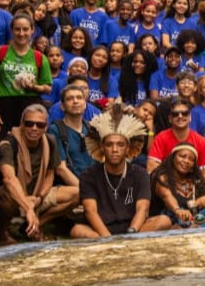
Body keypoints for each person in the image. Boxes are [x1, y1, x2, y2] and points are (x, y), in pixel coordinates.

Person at [72, 102, 169, 238]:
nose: (115, 150)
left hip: (133, 229)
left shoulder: (140, 174)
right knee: (78, 230)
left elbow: (143, 209)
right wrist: (108, 238)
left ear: (128, 148)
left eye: (120, 145)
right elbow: (90, 211)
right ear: (102, 147)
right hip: (102, 230)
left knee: (163, 221)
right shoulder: (89, 175)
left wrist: (132, 233)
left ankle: (128, 244)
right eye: (109, 144)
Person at [0, 103, 79, 244]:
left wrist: (39, 197)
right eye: (29, 123)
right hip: (15, 194)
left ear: (45, 127)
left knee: (78, 194)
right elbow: (9, 179)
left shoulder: (50, 141)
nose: (34, 128)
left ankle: (30, 226)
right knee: (6, 197)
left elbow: (50, 173)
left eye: (39, 125)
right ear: (22, 124)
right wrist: (28, 206)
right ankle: (1, 233)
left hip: (37, 194)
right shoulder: (8, 144)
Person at [0, 14, 52, 140]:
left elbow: (47, 88)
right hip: (3, 105)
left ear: (32, 30)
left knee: (26, 145)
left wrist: (34, 86)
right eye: (17, 29)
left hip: (29, 105)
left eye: (25, 29)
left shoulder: (40, 57)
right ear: (12, 30)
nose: (21, 33)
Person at [150, 143, 205, 228]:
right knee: (182, 217)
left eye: (191, 159)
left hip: (194, 220)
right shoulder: (163, 177)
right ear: (173, 158)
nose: (186, 161)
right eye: (182, 156)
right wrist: (178, 210)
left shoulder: (196, 180)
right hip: (171, 219)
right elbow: (166, 196)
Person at [146, 100, 205, 178]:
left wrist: (196, 186)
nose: (180, 116)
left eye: (184, 113)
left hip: (192, 183)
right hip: (166, 181)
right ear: (170, 119)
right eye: (175, 114)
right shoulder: (161, 137)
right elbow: (151, 166)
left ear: (190, 117)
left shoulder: (202, 142)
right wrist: (168, 183)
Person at [51, 85, 94, 178]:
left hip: (96, 182)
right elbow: (61, 169)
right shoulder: (55, 130)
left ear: (85, 104)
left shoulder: (92, 128)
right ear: (62, 106)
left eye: (79, 97)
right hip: (72, 187)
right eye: (69, 99)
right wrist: (85, 190)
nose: (75, 101)